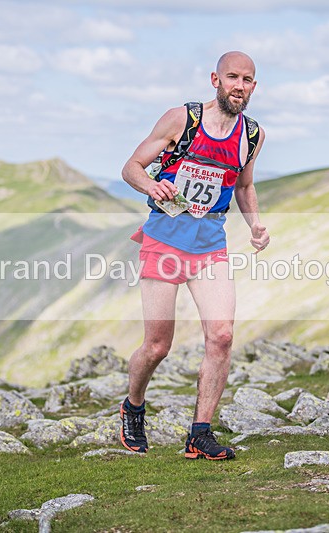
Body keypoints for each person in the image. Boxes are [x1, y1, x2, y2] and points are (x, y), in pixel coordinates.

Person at [119, 51, 270, 460]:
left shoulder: (251, 135)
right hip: (164, 242)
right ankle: (133, 407)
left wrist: (255, 223)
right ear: (215, 80)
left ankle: (199, 434)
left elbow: (244, 186)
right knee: (157, 346)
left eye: (248, 80)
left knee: (221, 337)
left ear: (254, 87)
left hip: (210, 248)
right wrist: (151, 187)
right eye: (233, 77)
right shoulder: (181, 120)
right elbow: (132, 167)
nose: (240, 86)